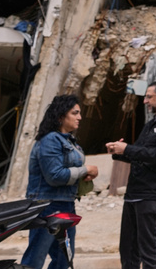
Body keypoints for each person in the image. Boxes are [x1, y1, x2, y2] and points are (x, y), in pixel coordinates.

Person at [107, 81, 156, 269]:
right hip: (134, 193)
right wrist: (120, 151)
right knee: (128, 250)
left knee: (148, 252)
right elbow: (141, 154)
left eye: (149, 97)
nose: (145, 101)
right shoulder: (152, 123)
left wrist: (128, 149)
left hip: (152, 195)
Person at [21, 94, 98, 269]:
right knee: (35, 258)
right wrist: (86, 169)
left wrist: (83, 176)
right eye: (75, 113)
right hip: (47, 206)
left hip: (66, 205)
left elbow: (67, 171)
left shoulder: (69, 141)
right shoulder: (50, 140)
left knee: (64, 259)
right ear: (61, 116)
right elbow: (54, 176)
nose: (79, 117)